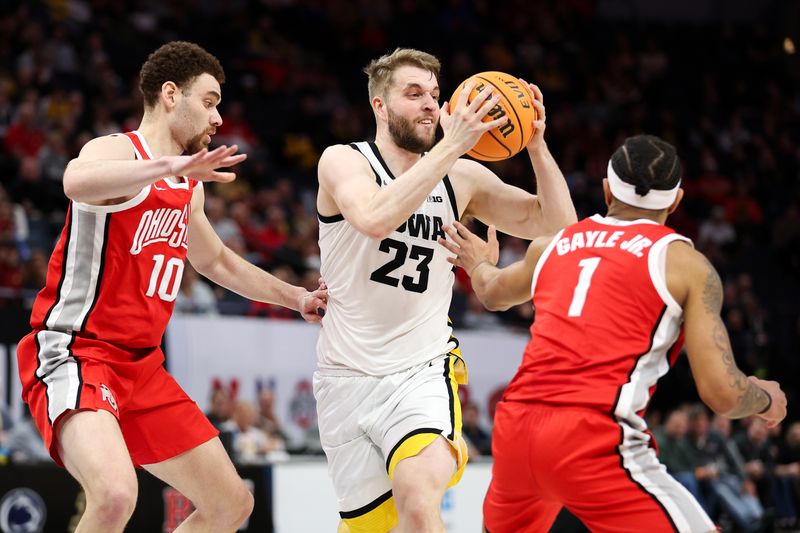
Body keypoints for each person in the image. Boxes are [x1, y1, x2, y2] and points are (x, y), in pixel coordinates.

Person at [15, 41, 327, 533]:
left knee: (231, 505)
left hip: (142, 367)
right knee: (116, 496)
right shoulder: (116, 151)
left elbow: (217, 260)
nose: (218, 117)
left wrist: (296, 297)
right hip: (78, 353)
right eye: (209, 101)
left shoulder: (190, 185)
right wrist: (170, 167)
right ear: (168, 95)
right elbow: (75, 181)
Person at [439, 134, 787, 533]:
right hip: (593, 436)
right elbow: (721, 394)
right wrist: (765, 399)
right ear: (675, 201)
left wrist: (479, 262)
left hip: (518, 428)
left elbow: (492, 293)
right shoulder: (685, 263)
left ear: (607, 190)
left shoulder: (554, 244)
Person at [314, 48, 575, 533]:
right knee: (375, 528)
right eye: (414, 94)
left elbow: (561, 229)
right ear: (379, 105)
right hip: (345, 379)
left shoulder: (461, 176)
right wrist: (449, 149)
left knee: (418, 498)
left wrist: (537, 146)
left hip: (422, 371)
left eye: (435, 94)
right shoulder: (344, 161)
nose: (430, 105)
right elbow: (373, 218)